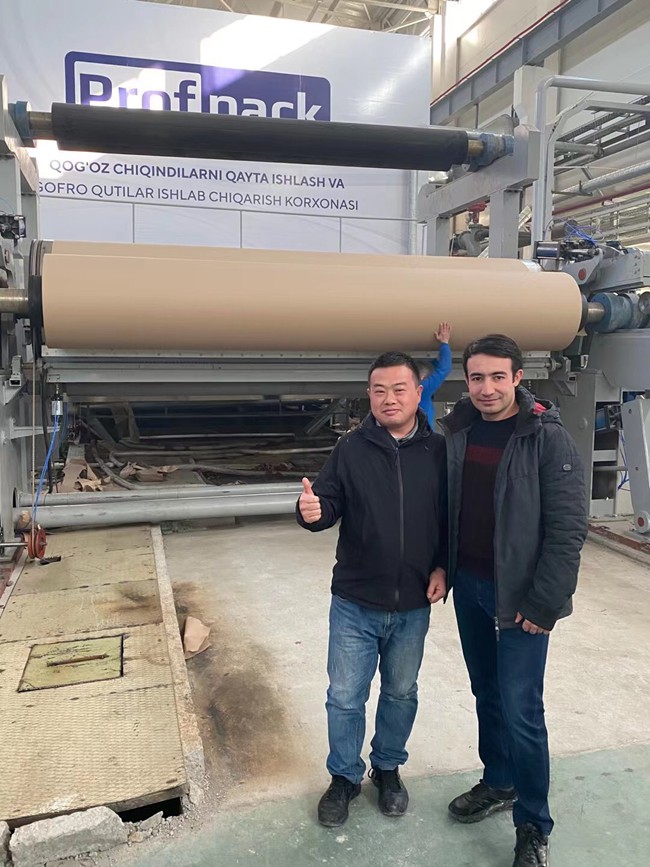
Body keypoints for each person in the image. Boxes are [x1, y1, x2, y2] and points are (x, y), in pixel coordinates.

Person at [437, 334, 587, 867]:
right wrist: (442, 566)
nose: (487, 388)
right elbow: (446, 508)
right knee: (487, 693)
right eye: (477, 377)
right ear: (466, 380)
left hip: (521, 600)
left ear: (518, 378)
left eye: (498, 377)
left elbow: (568, 529)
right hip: (470, 588)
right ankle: (499, 781)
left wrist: (545, 603)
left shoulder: (546, 438)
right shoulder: (457, 431)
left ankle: (533, 825)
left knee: (522, 709)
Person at [297, 350, 447, 829]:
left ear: (418, 393)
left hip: (413, 604)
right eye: (379, 390)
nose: (389, 399)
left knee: (401, 692)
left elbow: (451, 518)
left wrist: (444, 566)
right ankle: (344, 777)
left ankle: (387, 769)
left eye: (399, 389)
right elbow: (327, 502)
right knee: (344, 696)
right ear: (369, 395)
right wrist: (311, 512)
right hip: (355, 601)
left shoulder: (439, 451)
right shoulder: (351, 448)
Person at [418, 321, 453, 427]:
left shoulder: (408, 387)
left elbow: (438, 367)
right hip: (422, 436)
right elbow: (444, 369)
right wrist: (444, 342)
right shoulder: (422, 388)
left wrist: (439, 358)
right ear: (423, 377)